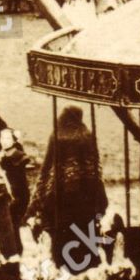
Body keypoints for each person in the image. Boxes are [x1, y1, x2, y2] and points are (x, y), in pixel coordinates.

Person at [27, 105, 107, 270]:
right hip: (87, 195)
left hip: (62, 195)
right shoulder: (87, 135)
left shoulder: (58, 135)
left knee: (63, 231)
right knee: (86, 229)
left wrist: (40, 195)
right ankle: (87, 265)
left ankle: (65, 265)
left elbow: (49, 165)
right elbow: (95, 166)